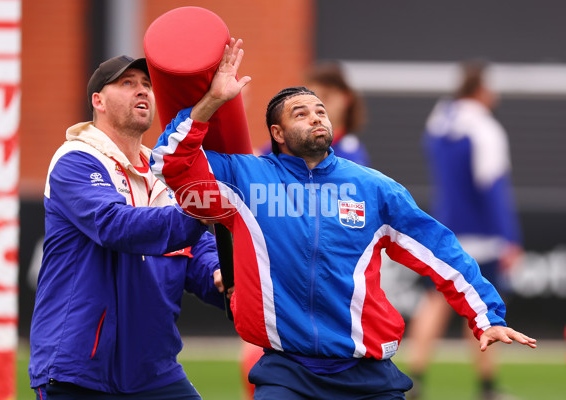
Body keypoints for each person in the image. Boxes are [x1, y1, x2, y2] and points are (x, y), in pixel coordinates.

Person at [150, 39, 536, 400]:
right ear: (277, 133)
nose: (317, 117)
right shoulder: (244, 178)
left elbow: (440, 250)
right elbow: (167, 164)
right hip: (287, 371)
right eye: (301, 113)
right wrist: (213, 102)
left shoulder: (375, 188)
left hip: (368, 373)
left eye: (320, 110)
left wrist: (485, 314)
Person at [28, 55, 229, 400]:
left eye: (147, 85)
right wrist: (197, 213)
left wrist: (219, 274)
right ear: (98, 101)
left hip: (154, 368)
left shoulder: (162, 175)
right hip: (81, 368)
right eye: (127, 83)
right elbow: (115, 226)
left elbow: (193, 250)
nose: (142, 92)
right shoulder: (74, 159)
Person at [241, 60, 372, 398]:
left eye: (323, 101)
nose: (314, 114)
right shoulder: (287, 154)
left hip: (328, 287)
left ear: (344, 101)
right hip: (284, 280)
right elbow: (250, 169)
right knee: (256, 362)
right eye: (303, 109)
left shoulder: (350, 157)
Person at [405, 60, 524, 400]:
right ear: (481, 90)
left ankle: (414, 380)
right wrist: (510, 237)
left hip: (445, 229)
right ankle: (487, 388)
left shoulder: (439, 123)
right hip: (482, 236)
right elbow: (493, 188)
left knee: (434, 302)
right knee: (484, 308)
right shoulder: (485, 129)